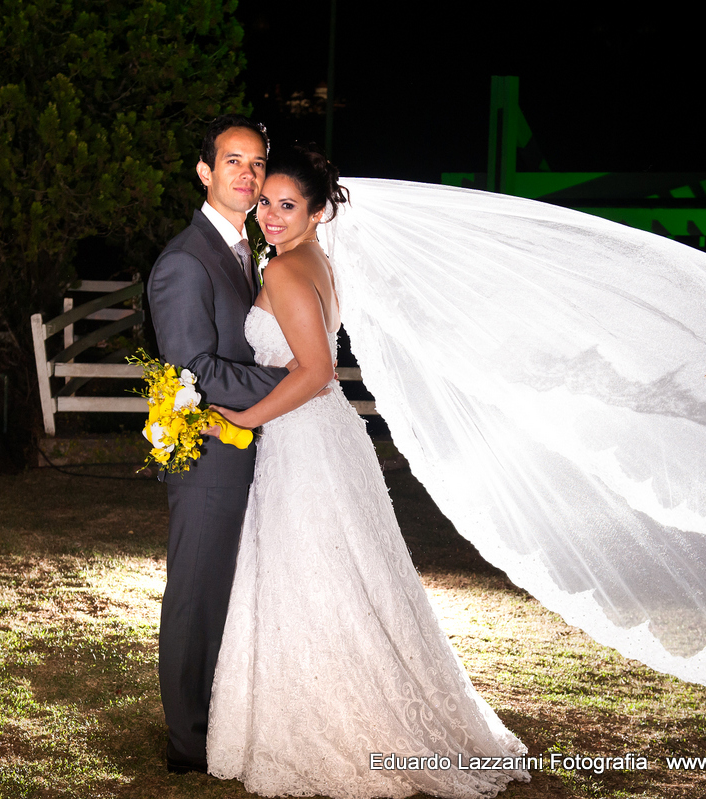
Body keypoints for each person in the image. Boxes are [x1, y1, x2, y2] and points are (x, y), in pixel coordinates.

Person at [204, 145, 531, 798]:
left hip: (305, 441)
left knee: (314, 574)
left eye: (286, 205)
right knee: (341, 573)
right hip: (325, 438)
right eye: (264, 200)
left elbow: (316, 373)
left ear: (318, 211)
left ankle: (330, 723)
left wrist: (244, 420)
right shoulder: (313, 261)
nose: (268, 213)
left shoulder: (287, 274)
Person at [146, 115, 289, 774]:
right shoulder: (184, 259)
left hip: (244, 451)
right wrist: (292, 381)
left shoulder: (248, 251)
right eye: (234, 160)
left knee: (227, 592)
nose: (248, 174)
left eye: (258, 163)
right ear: (205, 171)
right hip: (208, 458)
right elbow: (196, 370)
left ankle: (219, 716)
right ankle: (186, 740)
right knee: (197, 594)